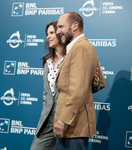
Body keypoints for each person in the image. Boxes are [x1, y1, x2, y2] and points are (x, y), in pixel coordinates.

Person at [30, 20, 104, 150]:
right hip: (48, 118)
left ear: (60, 34)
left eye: (52, 32)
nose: (48, 36)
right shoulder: (46, 61)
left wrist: (94, 81)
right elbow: (46, 92)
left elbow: (89, 86)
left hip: (68, 115)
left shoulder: (74, 54)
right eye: (47, 34)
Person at [53, 12, 106, 150]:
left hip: (74, 126)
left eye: (60, 27)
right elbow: (99, 82)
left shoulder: (81, 47)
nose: (57, 31)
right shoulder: (75, 48)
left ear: (74, 26)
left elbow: (77, 90)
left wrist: (62, 120)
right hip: (69, 127)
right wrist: (90, 83)